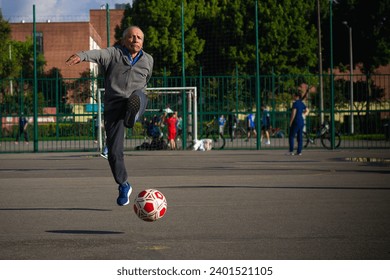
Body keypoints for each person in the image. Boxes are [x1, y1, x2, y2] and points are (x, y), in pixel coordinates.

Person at [66, 26, 153, 206]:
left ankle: (132, 115)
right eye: (131, 37)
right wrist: (81, 56)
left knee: (137, 97)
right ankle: (124, 184)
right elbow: (97, 54)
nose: (135, 40)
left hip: (137, 98)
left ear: (143, 42)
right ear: (124, 40)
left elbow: (147, 79)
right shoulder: (113, 54)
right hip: (114, 106)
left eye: (139, 37)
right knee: (114, 152)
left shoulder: (148, 60)